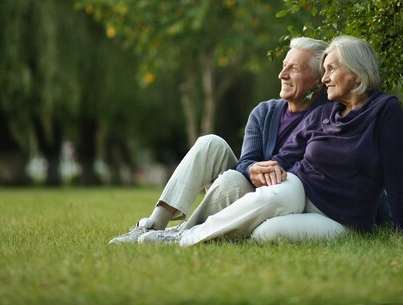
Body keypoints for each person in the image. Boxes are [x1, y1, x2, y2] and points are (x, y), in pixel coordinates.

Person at [138, 34, 403, 246]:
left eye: (331, 69)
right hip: (297, 188)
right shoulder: (324, 112)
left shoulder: (385, 112)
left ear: (356, 73)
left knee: (264, 235)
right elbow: (286, 155)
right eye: (325, 70)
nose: (327, 77)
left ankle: (197, 232)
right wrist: (268, 169)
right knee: (266, 184)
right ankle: (178, 237)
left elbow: (397, 176)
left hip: (340, 216)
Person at [109, 37, 329, 244]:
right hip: (246, 189)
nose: (282, 74)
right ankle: (153, 225)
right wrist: (252, 169)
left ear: (318, 79)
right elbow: (245, 162)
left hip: (278, 200)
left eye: (294, 68)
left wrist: (264, 173)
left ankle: (182, 234)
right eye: (284, 65)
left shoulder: (327, 116)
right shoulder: (265, 112)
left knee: (231, 180)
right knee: (210, 143)